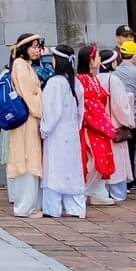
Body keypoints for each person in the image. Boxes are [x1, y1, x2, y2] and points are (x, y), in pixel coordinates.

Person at [39, 44, 87, 219]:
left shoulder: (54, 83)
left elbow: (52, 112)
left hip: (56, 134)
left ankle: (52, 208)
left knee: (54, 170)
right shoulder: (76, 83)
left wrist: (43, 130)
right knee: (72, 170)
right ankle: (75, 208)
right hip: (71, 131)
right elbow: (81, 112)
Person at [6, 33, 46, 217]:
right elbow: (28, 94)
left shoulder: (26, 66)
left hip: (30, 119)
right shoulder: (20, 65)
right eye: (34, 46)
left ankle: (30, 205)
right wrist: (41, 106)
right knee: (26, 160)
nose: (37, 50)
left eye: (38, 46)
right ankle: (24, 206)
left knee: (31, 158)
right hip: (26, 119)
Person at [78, 47, 117, 208]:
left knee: (102, 158)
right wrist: (104, 125)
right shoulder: (81, 79)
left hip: (100, 124)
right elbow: (88, 106)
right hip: (90, 126)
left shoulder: (93, 78)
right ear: (90, 60)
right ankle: (86, 190)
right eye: (97, 56)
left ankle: (96, 191)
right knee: (93, 160)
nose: (100, 59)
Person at [100, 47, 135, 203]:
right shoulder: (113, 80)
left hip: (98, 127)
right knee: (117, 163)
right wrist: (128, 120)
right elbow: (120, 106)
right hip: (114, 126)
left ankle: (102, 192)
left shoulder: (93, 78)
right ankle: (117, 193)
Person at [112, 40, 136, 192]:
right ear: (134, 56)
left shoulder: (114, 73)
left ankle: (127, 180)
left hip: (120, 118)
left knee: (126, 150)